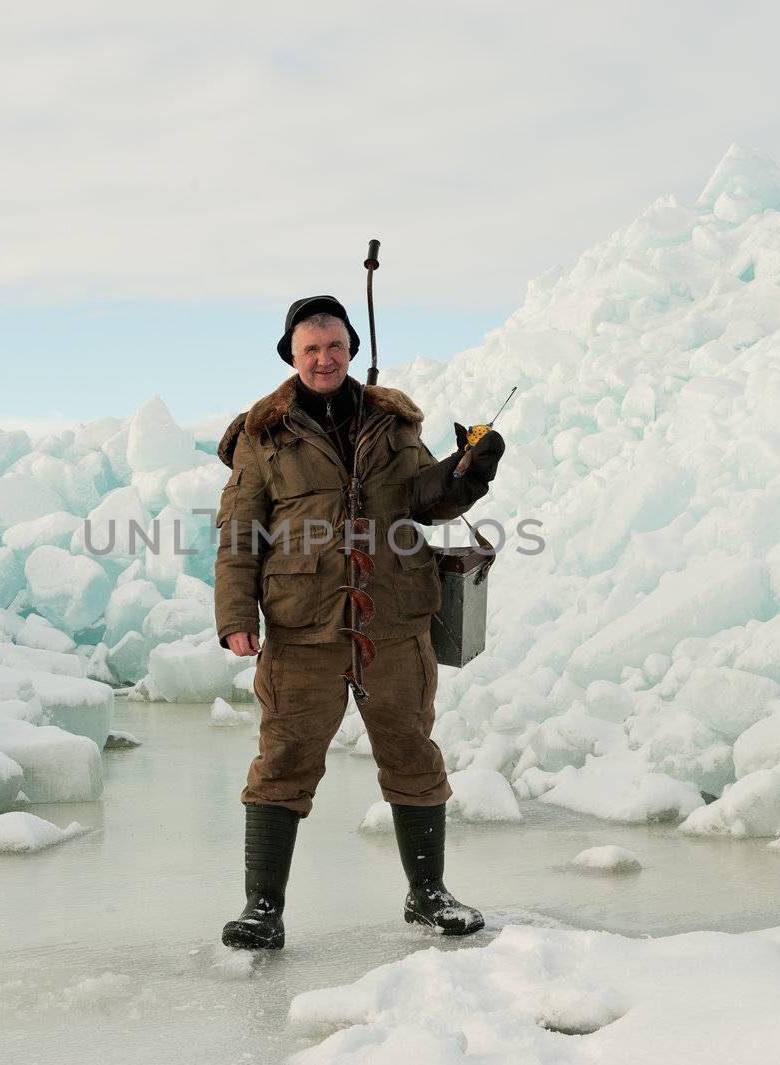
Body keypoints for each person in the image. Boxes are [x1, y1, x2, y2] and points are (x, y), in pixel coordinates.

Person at [211, 294, 505, 950]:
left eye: (335, 346)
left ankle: (428, 896)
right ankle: (264, 909)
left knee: (411, 749)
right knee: (284, 756)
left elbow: (425, 501)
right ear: (291, 353)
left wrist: (469, 470)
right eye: (311, 347)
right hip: (301, 624)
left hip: (394, 619)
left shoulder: (393, 422)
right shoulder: (262, 434)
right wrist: (236, 615)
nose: (323, 358)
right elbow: (239, 532)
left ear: (351, 351)